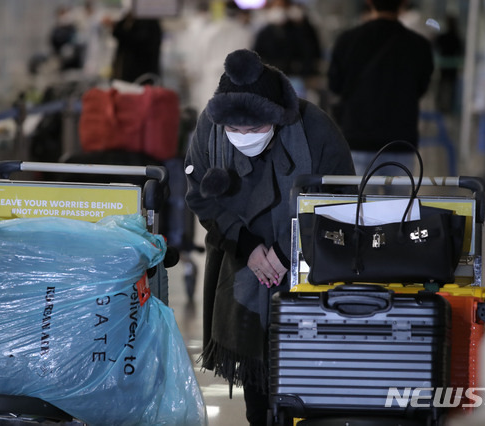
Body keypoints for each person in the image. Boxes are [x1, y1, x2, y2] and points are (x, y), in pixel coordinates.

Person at [184, 49, 354, 425]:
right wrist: (247, 247)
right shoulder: (211, 127)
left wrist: (284, 250)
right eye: (236, 131)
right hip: (241, 261)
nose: (244, 137)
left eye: (257, 129)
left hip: (308, 262)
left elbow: (340, 202)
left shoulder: (315, 130)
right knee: (256, 375)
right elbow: (198, 194)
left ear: (277, 118)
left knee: (301, 371)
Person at [327, 0, 434, 177]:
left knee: (360, 203)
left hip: (357, 137)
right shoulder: (419, 45)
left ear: (369, 3)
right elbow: (422, 87)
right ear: (403, 3)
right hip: (401, 140)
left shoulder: (347, 40)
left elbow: (335, 85)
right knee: (400, 204)